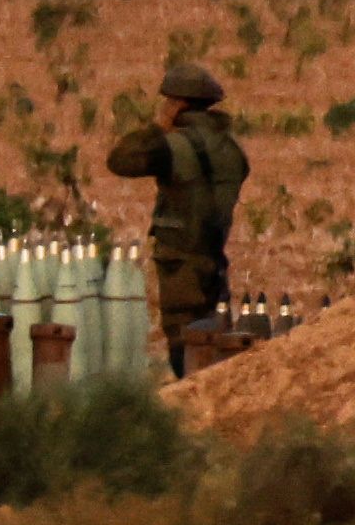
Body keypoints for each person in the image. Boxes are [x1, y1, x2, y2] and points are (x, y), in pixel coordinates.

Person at [105, 62, 250, 378]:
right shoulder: (232, 148)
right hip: (214, 259)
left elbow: (119, 160)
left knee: (184, 347)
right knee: (215, 337)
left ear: (177, 104)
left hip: (180, 265)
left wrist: (158, 128)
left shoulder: (171, 147)